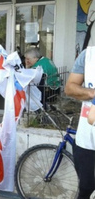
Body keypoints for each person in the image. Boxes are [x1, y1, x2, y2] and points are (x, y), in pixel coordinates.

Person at [65, 46, 95, 199]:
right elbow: (70, 87)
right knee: (86, 188)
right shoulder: (88, 55)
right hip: (87, 141)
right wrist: (92, 93)